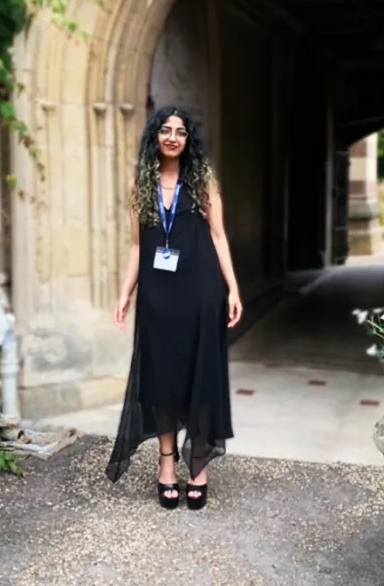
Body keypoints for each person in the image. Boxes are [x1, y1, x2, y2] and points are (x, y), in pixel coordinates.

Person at [106, 105, 242, 511]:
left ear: (188, 140)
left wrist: (233, 288)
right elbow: (136, 246)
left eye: (180, 132)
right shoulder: (140, 186)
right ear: (155, 136)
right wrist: (125, 293)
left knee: (200, 376)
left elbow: (218, 236)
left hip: (200, 293)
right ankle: (167, 464)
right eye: (165, 130)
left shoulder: (202, 181)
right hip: (157, 297)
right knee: (162, 379)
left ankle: (197, 463)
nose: (172, 137)